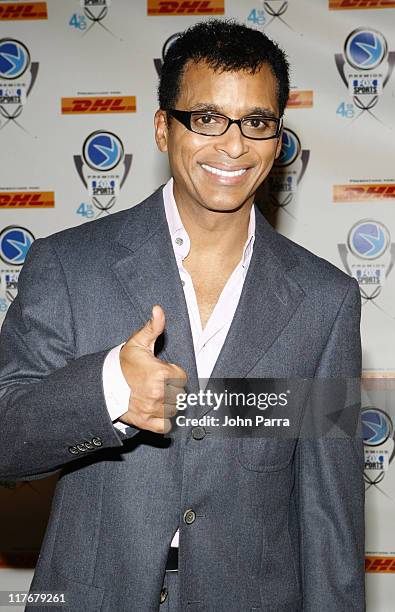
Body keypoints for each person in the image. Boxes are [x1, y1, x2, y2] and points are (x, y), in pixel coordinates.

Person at [0, 19, 365, 612]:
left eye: (256, 122)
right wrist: (109, 388)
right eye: (206, 119)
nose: (233, 144)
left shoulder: (326, 300)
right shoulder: (69, 264)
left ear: (278, 139)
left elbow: (331, 517)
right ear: (163, 129)